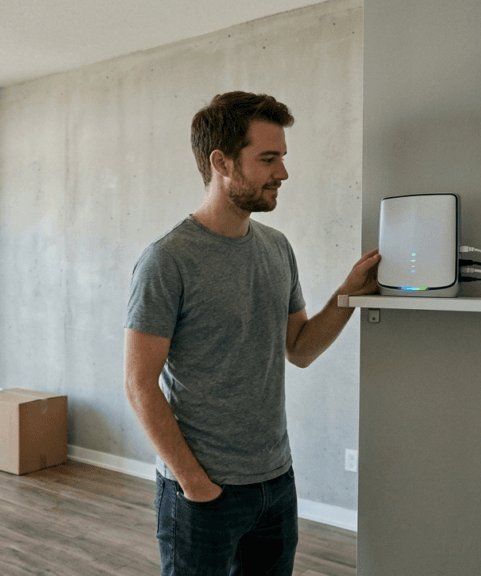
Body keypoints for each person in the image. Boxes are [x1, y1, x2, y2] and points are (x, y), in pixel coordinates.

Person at [123, 91, 380, 575]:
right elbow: (139, 385)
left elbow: (299, 348)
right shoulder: (167, 260)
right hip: (201, 492)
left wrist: (348, 294)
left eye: (282, 158)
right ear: (222, 163)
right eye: (268, 159)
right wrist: (195, 484)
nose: (282, 173)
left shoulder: (277, 249)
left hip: (276, 482)